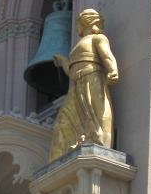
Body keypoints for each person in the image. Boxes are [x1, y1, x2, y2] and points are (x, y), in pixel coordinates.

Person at [49, 9, 119, 162]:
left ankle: (100, 143)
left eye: (78, 23)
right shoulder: (80, 44)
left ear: (85, 22)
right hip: (76, 85)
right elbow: (72, 70)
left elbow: (107, 56)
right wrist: (63, 62)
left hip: (91, 78)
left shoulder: (98, 38)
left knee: (97, 111)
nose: (76, 28)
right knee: (63, 121)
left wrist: (113, 70)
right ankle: (60, 154)